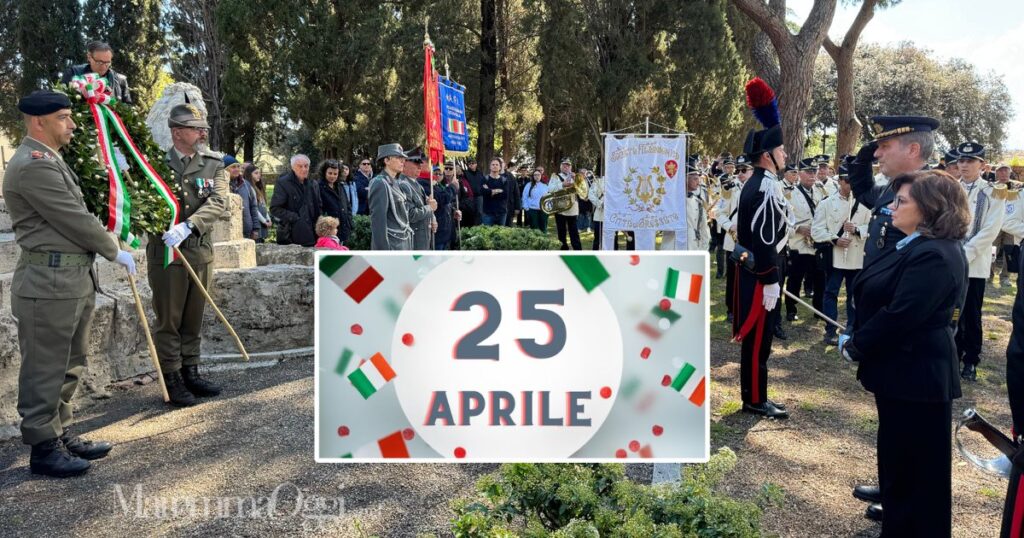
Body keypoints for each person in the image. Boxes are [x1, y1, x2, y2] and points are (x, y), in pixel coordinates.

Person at [4, 90, 136, 477]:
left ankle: (58, 432)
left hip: (69, 278)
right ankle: (44, 448)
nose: (73, 123)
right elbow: (73, 218)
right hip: (48, 283)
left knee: (70, 364)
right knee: (46, 367)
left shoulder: (49, 159)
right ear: (38, 121)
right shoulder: (33, 164)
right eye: (64, 117)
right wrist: (114, 249)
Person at [842, 170, 969, 537]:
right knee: (900, 468)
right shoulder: (919, 244)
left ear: (930, 208)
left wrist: (857, 345)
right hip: (905, 372)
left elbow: (901, 314)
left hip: (917, 375)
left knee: (916, 473)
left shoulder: (934, 254)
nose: (892, 207)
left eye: (902, 202)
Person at [845, 114, 941, 522]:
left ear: (913, 150)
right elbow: (864, 189)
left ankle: (899, 495)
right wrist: (866, 155)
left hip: (903, 331)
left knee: (905, 428)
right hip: (882, 324)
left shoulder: (931, 195)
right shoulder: (896, 192)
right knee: (891, 423)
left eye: (886, 146)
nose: (879, 152)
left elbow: (918, 283)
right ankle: (891, 485)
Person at [149, 103, 229, 407]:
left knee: (194, 316)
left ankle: (190, 371)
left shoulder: (213, 163)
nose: (202, 133)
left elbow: (218, 201)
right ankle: (172, 379)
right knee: (169, 318)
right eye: (195, 128)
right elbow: (143, 203)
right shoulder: (154, 163)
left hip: (198, 250)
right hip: (166, 253)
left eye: (202, 128)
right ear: (177, 132)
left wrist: (189, 225)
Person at [732, 78, 789, 420]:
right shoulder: (765, 188)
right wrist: (770, 279)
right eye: (781, 151)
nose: (785, 155)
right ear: (767, 155)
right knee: (757, 343)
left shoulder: (761, 183)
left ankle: (757, 395)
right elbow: (766, 240)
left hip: (759, 274)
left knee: (761, 341)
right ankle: (755, 398)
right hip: (760, 277)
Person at [953, 142, 1005, 381]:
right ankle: (953, 354)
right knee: (953, 310)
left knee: (971, 312)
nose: (963, 165)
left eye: (970, 161)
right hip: (952, 261)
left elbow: (991, 229)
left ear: (982, 165)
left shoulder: (993, 192)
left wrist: (966, 252)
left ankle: (971, 360)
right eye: (961, 161)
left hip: (974, 263)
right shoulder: (952, 188)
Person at [811, 161, 869, 345]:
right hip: (836, 256)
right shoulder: (827, 203)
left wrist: (858, 228)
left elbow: (874, 227)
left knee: (854, 294)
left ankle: (851, 328)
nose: (850, 185)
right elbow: (816, 230)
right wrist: (835, 239)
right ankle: (830, 329)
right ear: (840, 182)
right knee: (831, 292)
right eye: (847, 181)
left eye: (853, 181)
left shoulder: (866, 203)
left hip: (856, 256)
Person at [785, 157, 825, 323]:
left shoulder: (821, 192)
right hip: (799, 245)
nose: (812, 175)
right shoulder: (789, 194)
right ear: (799, 174)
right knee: (795, 279)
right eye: (808, 171)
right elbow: (782, 223)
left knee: (820, 278)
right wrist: (797, 229)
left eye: (814, 172)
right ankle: (791, 309)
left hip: (818, 243)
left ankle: (819, 309)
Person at [714, 157, 749, 324]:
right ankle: (732, 309)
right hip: (734, 240)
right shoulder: (730, 187)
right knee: (734, 276)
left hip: (753, 241)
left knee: (750, 274)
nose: (740, 173)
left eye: (744, 170)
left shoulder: (762, 187)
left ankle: (747, 307)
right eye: (739, 170)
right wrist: (729, 226)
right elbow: (719, 213)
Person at [368, 144, 414, 250]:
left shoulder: (395, 183)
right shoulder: (380, 183)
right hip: (391, 245)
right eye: (398, 158)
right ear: (387, 161)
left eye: (403, 158)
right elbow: (378, 223)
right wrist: (384, 252)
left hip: (402, 243)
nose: (403, 161)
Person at [271, 155, 322, 247]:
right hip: (292, 236)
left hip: (313, 235)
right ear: (293, 167)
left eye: (306, 166)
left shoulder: (313, 184)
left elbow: (318, 207)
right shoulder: (283, 183)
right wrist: (295, 218)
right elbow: (274, 208)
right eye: (300, 166)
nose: (304, 169)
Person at [61, 41, 132, 104]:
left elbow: (128, 108)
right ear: (89, 57)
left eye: (107, 62)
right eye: (99, 62)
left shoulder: (120, 80)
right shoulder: (73, 73)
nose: (104, 67)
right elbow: (61, 101)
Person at [399, 148, 437, 249]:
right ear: (404, 164)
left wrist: (433, 219)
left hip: (424, 238)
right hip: (413, 241)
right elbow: (410, 215)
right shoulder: (403, 185)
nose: (420, 166)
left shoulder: (417, 184)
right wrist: (430, 208)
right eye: (416, 162)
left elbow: (425, 207)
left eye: (420, 162)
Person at [419, 166, 460, 250]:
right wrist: (453, 187)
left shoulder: (439, 185)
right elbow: (440, 199)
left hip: (446, 232)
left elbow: (446, 204)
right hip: (437, 233)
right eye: (435, 173)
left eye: (440, 174)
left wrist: (454, 211)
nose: (437, 175)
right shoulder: (425, 184)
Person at [316, 159, 354, 244]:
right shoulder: (318, 187)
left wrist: (350, 223)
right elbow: (318, 210)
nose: (332, 176)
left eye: (335, 174)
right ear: (324, 172)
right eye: (330, 173)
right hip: (329, 233)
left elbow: (347, 206)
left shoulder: (340, 186)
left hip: (344, 230)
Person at [226, 155, 260, 241]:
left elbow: (253, 206)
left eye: (238, 166)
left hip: (246, 231)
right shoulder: (220, 186)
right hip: (227, 231)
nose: (237, 169)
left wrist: (255, 228)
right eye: (233, 167)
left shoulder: (246, 185)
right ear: (225, 169)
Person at [551, 157, 583, 250]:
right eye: (564, 165)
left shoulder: (576, 177)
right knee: (561, 231)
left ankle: (578, 251)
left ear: (571, 167)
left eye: (568, 166)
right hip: (559, 208)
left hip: (572, 208)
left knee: (574, 231)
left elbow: (582, 191)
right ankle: (564, 250)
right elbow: (550, 189)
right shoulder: (555, 176)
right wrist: (562, 185)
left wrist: (576, 180)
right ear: (561, 166)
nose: (566, 167)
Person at [686, 160, 711, 251]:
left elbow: (703, 226)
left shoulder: (698, 201)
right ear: (685, 179)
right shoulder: (674, 202)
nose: (699, 182)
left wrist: (704, 246)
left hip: (696, 246)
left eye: (699, 179)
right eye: (695, 179)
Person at [243, 163, 272, 242]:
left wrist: (268, 219)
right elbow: (254, 209)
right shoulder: (249, 188)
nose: (259, 175)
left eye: (259, 173)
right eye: (256, 173)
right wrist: (264, 221)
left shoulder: (258, 189)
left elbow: (263, 206)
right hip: (256, 225)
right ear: (249, 175)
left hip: (263, 225)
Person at [480, 157, 509, 226]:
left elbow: (505, 195)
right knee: (487, 235)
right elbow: (483, 192)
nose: (495, 166)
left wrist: (490, 191)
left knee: (501, 235)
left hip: (501, 213)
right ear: (490, 167)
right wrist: (498, 190)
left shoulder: (504, 180)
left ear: (500, 167)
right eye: (493, 164)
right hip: (488, 213)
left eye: (497, 164)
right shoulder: (485, 179)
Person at [522, 169, 549, 233]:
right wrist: (526, 208)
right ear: (533, 176)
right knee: (534, 229)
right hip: (532, 210)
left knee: (543, 228)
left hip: (544, 210)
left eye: (538, 175)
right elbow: (524, 197)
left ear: (541, 176)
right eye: (535, 175)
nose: (537, 176)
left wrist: (549, 208)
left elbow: (549, 197)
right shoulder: (529, 185)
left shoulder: (545, 185)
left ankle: (543, 242)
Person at [589, 174, 605, 249]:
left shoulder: (618, 181)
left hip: (613, 217)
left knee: (613, 240)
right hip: (600, 215)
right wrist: (600, 203)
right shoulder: (598, 181)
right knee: (597, 240)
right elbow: (590, 195)